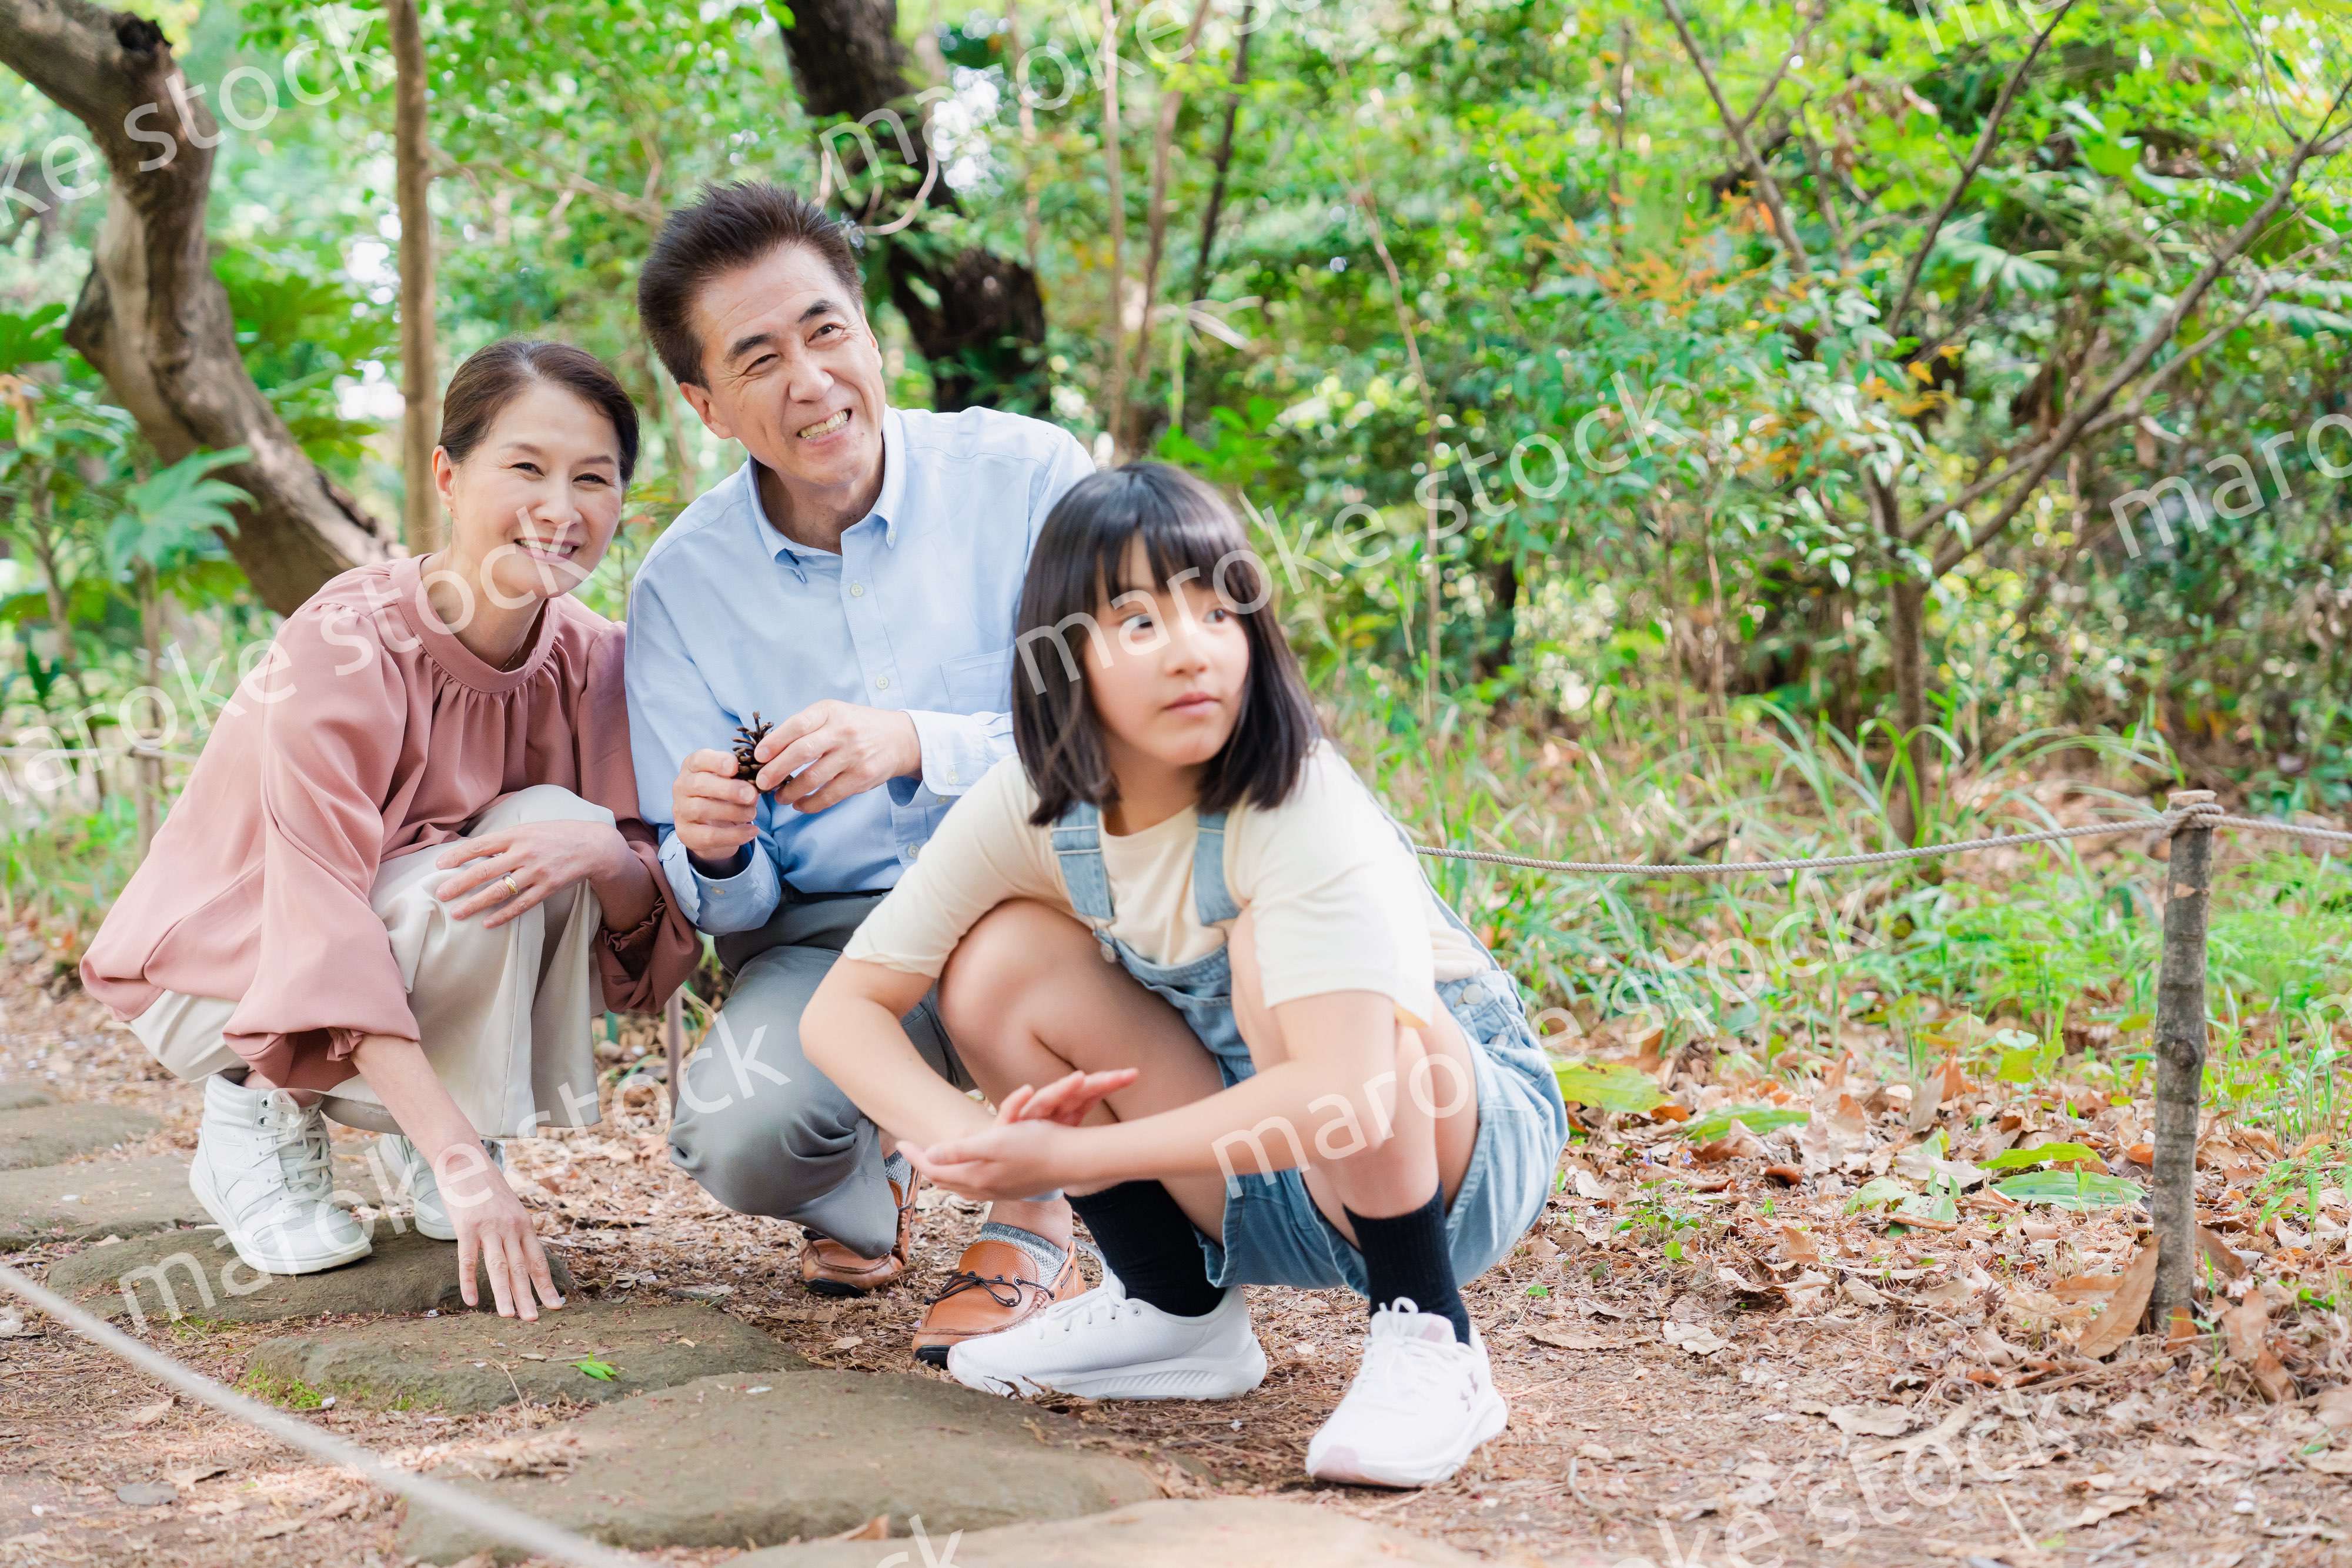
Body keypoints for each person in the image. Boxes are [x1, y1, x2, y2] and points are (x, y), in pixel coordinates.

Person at [800, 464, 1570, 1488]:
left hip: (1446, 1156)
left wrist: (1048, 1161)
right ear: (1066, 653)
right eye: (1139, 621)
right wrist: (977, 1141)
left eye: (1217, 609)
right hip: (1259, 1171)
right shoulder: (1036, 803)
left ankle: (1428, 1333)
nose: (1192, 650)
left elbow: (1344, 1090)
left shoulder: (1297, 802)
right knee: (995, 967)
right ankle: (1174, 1311)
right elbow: (843, 1012)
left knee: (1272, 957)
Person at [81, 340, 699, 1320]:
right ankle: (256, 1112)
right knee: (478, 866)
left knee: (559, 824)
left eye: (594, 478)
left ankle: (431, 1126)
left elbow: (642, 930)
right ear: (450, 477)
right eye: (526, 469)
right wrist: (471, 1170)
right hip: (231, 971)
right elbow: (319, 921)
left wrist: (601, 855)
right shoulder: (346, 642)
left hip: (405, 941)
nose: (562, 507)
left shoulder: (595, 658)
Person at [624, 181, 1094, 1357]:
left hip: (1038, 890)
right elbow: (728, 901)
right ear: (706, 404)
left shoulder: (1030, 478)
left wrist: (912, 741)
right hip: (834, 938)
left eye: (826, 330)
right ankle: (860, 1182)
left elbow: (1117, 734)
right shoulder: (681, 589)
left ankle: (1036, 1210)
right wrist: (716, 846)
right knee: (734, 1134)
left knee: (1027, 945)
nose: (811, 380)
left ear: (870, 335)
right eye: (758, 357)